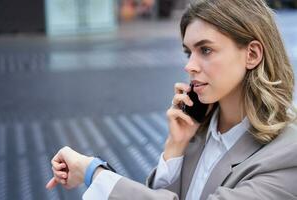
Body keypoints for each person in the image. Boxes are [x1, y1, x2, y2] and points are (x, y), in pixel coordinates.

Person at [46, 0, 297, 199]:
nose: (189, 66)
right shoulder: (197, 131)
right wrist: (174, 148)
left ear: (251, 54)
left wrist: (93, 172)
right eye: (189, 52)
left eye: (206, 50)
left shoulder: (287, 154)